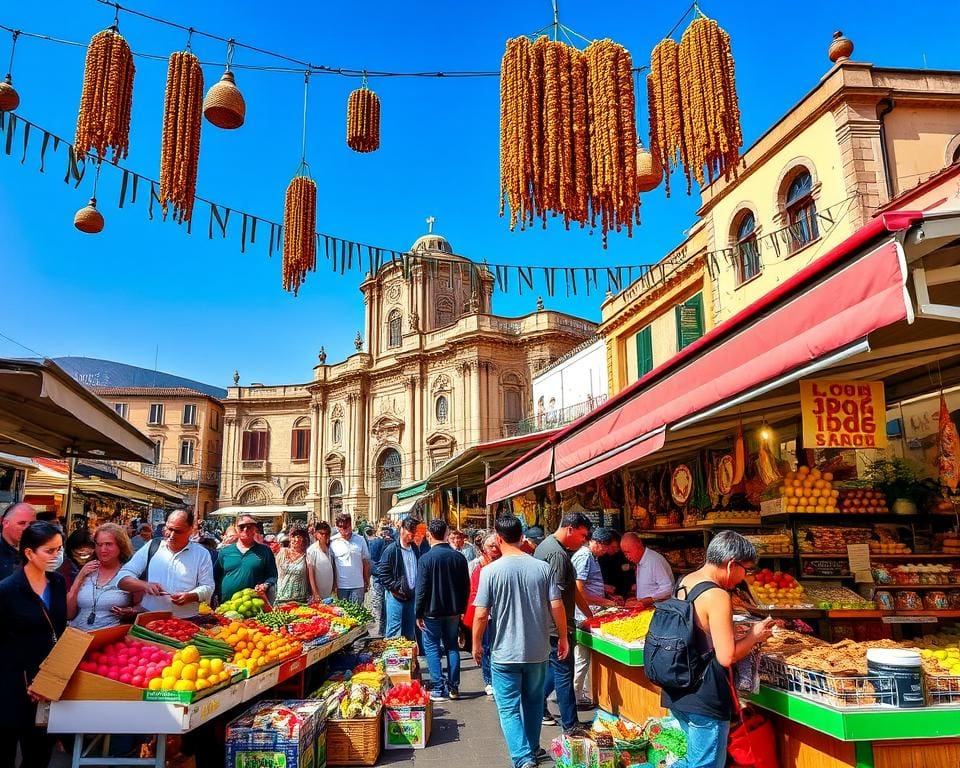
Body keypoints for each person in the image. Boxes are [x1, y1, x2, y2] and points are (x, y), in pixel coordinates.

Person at [663, 531, 775, 768]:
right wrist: (754, 635)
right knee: (704, 764)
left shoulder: (684, 581)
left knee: (692, 760)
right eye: (747, 569)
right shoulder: (717, 595)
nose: (744, 577)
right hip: (705, 696)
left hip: (678, 689)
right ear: (732, 564)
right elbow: (727, 656)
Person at [472, 515, 567, 768]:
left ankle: (524, 757)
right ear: (522, 537)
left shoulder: (490, 571)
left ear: (499, 538)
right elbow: (556, 605)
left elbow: (481, 614)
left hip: (505, 653)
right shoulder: (542, 568)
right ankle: (533, 747)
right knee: (535, 702)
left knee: (509, 708)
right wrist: (564, 637)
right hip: (538, 650)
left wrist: (476, 644)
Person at [0, 521, 67, 768]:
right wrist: (28, 680)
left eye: (59, 549)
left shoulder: (58, 583)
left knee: (39, 754)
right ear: (29, 553)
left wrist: (51, 677)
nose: (57, 556)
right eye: (50, 551)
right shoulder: (7, 590)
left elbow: (60, 630)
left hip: (48, 685)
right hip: (12, 684)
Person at [536, 513, 594, 732]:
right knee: (563, 674)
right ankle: (570, 725)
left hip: (553, 624)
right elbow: (556, 599)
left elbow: (573, 591)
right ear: (570, 529)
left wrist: (589, 615)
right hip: (556, 626)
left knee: (554, 671)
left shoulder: (551, 547)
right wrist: (563, 633)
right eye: (582, 535)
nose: (584, 541)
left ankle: (537, 705)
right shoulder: (557, 555)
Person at [118, 509, 215, 618]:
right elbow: (122, 577)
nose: (171, 535)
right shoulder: (153, 546)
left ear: (190, 530)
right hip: (150, 617)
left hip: (186, 620)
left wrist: (192, 596)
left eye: (178, 531)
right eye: (169, 529)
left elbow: (208, 586)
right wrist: (144, 585)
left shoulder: (201, 554)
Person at [415, 518, 470, 701]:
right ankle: (454, 687)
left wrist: (418, 612)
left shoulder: (426, 559)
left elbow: (421, 589)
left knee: (431, 647)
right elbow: (466, 586)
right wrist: (462, 609)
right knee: (452, 647)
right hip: (453, 611)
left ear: (429, 535)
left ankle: (438, 687)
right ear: (446, 534)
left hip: (431, 611)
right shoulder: (459, 557)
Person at [571, 527, 620, 707]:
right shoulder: (585, 557)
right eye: (606, 548)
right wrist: (606, 603)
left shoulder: (591, 557)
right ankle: (576, 694)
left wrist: (605, 590)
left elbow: (587, 583)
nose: (607, 552)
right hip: (584, 613)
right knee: (582, 656)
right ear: (598, 544)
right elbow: (579, 591)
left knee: (584, 656)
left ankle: (582, 691)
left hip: (588, 611)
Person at [68, 523, 141, 629]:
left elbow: (141, 607)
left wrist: (130, 611)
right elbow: (69, 614)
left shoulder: (128, 573)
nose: (103, 550)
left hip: (110, 637)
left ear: (121, 546)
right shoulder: (87, 570)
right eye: (99, 544)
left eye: (108, 544)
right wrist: (79, 578)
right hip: (77, 636)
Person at [463, 533, 501, 696]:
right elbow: (469, 591)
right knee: (485, 647)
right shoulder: (474, 565)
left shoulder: (503, 562)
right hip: (484, 613)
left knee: (497, 647)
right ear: (482, 548)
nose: (494, 548)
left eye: (496, 545)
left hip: (501, 613)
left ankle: (498, 678)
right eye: (490, 546)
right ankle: (489, 680)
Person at [213, 514, 277, 604]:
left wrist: (266, 585)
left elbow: (272, 575)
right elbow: (215, 576)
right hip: (226, 605)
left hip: (253, 605)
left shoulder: (265, 551)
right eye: (241, 526)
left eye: (249, 526)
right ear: (236, 528)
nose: (245, 529)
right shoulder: (225, 552)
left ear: (255, 529)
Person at [376, 517, 419, 641]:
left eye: (414, 531)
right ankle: (393, 659)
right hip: (396, 597)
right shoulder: (391, 550)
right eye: (410, 531)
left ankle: (408, 658)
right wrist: (396, 587)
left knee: (409, 633)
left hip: (411, 597)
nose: (412, 534)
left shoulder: (415, 549)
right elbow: (382, 574)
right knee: (394, 633)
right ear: (402, 530)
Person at [620, 532, 674, 607]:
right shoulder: (640, 560)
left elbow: (668, 589)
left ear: (638, 545)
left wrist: (646, 601)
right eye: (625, 553)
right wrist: (637, 599)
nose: (627, 556)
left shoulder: (654, 560)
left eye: (628, 552)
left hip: (658, 611)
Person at [330, 513, 371, 602]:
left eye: (348, 526)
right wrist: (333, 584)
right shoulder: (332, 542)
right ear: (338, 528)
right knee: (342, 614)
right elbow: (332, 565)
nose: (346, 530)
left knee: (357, 614)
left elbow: (365, 562)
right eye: (343, 527)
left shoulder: (360, 540)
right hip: (341, 586)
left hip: (358, 585)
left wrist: (367, 581)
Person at [0, 502, 37, 580]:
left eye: (32, 523)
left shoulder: (37, 549)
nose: (27, 528)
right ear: (5, 522)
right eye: (21, 523)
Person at [366, 524, 391, 635]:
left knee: (384, 608)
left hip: (386, 580)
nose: (386, 534)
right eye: (384, 531)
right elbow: (372, 562)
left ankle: (383, 631)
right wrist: (381, 574)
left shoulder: (393, 543)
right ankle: (381, 632)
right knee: (380, 608)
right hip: (379, 580)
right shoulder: (377, 543)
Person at [275, 527, 311, 603]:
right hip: (281, 599)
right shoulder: (282, 552)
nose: (297, 539)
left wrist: (315, 593)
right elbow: (275, 572)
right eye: (294, 536)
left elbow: (311, 578)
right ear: (289, 537)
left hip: (300, 600)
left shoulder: (306, 556)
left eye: (299, 536)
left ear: (303, 539)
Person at [597, 531, 634, 600]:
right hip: (602, 595)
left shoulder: (620, 555)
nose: (616, 550)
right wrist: (604, 587)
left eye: (618, 548)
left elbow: (626, 574)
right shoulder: (599, 556)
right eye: (613, 547)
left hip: (621, 593)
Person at [307, 521, 337, 601]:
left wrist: (334, 585)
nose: (324, 536)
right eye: (321, 533)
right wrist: (315, 592)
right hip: (318, 592)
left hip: (329, 591)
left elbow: (332, 568)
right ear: (316, 534)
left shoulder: (330, 549)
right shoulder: (312, 550)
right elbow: (311, 573)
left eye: (326, 534)